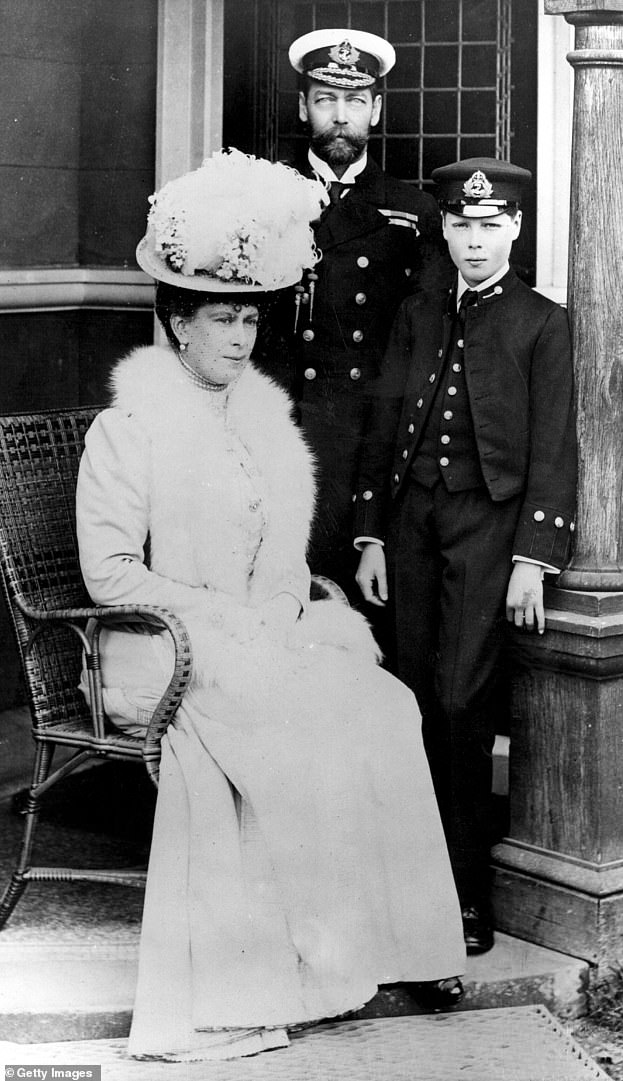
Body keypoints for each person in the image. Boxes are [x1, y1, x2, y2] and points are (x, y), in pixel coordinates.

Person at [75, 150, 465, 1063]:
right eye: (222, 318)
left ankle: (374, 946)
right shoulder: (131, 427)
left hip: (252, 641)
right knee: (293, 722)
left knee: (383, 703)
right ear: (177, 324)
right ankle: (284, 965)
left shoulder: (263, 420)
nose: (242, 338)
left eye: (251, 318)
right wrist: (227, 618)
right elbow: (112, 576)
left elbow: (283, 555)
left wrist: (286, 600)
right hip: (157, 649)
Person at [354, 158, 577, 957]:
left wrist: (533, 558)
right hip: (412, 521)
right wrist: (373, 533)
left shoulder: (543, 324)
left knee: (458, 703)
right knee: (408, 699)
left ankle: (464, 896)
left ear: (514, 229)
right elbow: (383, 426)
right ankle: (404, 887)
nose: (475, 241)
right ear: (443, 229)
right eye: (461, 225)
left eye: (490, 226)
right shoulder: (417, 312)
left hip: (489, 526)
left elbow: (554, 452)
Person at [269, 28, 450, 599]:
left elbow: (427, 340)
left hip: (370, 438)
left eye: (353, 101)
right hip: (280, 428)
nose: (340, 116)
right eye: (325, 100)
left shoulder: (413, 211)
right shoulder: (265, 197)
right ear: (304, 108)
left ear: (374, 108)